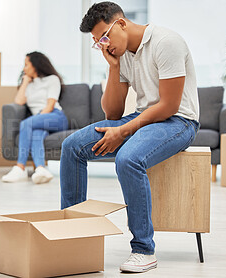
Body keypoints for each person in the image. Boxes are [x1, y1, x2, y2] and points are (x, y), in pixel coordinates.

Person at [60, 1, 200, 273]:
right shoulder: (121, 54)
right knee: (72, 146)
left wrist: (123, 131)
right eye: (97, 42)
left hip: (179, 121)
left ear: (121, 23)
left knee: (128, 158)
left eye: (104, 37)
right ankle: (72, 234)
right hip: (142, 118)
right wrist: (113, 68)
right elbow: (113, 112)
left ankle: (143, 249)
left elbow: (169, 106)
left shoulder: (166, 42)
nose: (104, 44)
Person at [2, 52, 68, 184]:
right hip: (39, 121)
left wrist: (34, 120)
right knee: (37, 134)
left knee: (26, 124)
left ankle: (20, 167)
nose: (24, 68)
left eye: (26, 65)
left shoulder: (52, 79)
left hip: (55, 117)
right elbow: (19, 101)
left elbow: (49, 106)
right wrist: (25, 81)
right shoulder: (29, 85)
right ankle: (40, 169)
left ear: (36, 64)